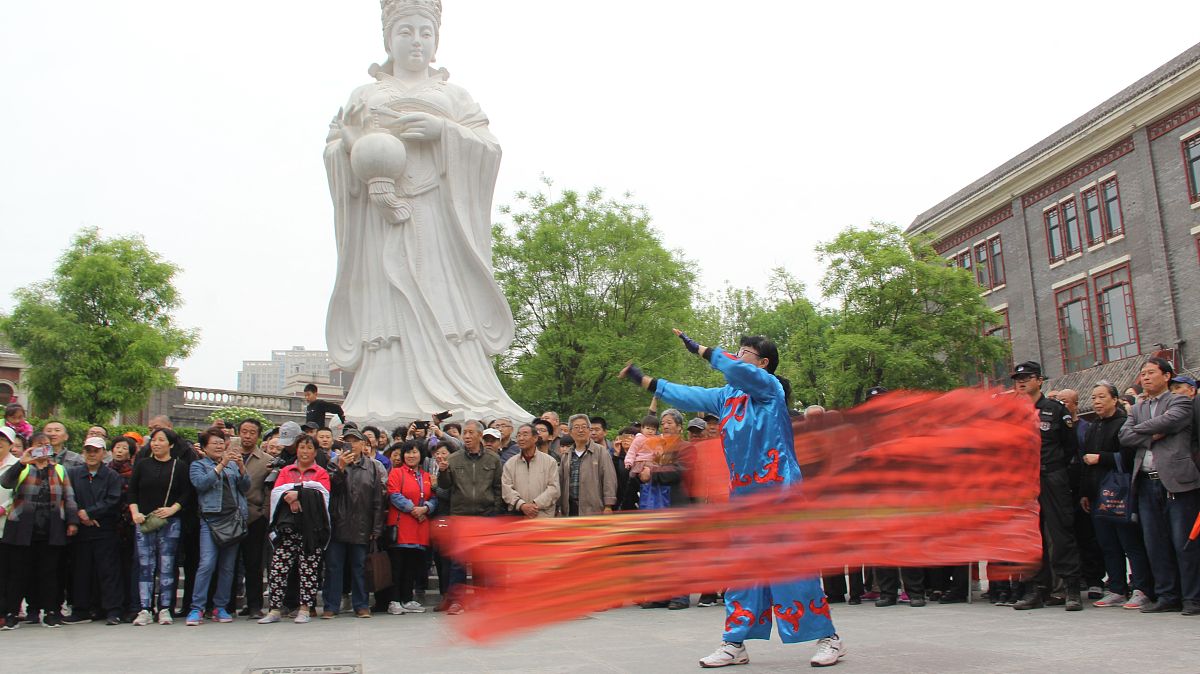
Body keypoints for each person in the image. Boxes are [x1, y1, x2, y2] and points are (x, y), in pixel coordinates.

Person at [323, 0, 529, 425]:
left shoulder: (454, 97)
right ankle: (385, 390)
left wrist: (444, 132)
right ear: (388, 39)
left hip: (437, 217)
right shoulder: (364, 96)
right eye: (406, 32)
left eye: (425, 32)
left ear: (436, 40)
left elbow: (489, 149)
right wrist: (353, 146)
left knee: (443, 297)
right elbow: (335, 149)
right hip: (382, 220)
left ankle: (462, 387)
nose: (416, 41)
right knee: (389, 301)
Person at [621, 330, 843, 668]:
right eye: (736, 351)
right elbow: (688, 395)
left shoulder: (770, 389)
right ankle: (735, 642)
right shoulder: (726, 397)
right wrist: (644, 380)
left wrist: (702, 350)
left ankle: (829, 638)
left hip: (780, 493)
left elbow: (736, 369)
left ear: (763, 363)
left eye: (744, 352)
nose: (737, 357)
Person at [1118, 357, 1200, 615]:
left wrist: (1140, 431)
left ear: (1166, 376)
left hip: (1177, 481)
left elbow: (1172, 421)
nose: (1145, 377)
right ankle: (1167, 595)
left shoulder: (1179, 400)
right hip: (1146, 482)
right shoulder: (1138, 407)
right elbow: (1124, 436)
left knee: (1183, 542)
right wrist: (1152, 434)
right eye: (1143, 373)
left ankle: (1192, 597)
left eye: (1151, 372)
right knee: (1155, 542)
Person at [1008, 361, 1084, 612]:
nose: (1021, 382)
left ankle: (1071, 589)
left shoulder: (1055, 409)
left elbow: (1070, 447)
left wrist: (1054, 468)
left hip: (1051, 476)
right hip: (1024, 482)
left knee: (1061, 533)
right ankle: (1036, 590)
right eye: (1017, 379)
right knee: (1030, 537)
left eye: (1027, 377)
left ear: (1040, 380)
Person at [1080, 382, 1154, 609]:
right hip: (1097, 493)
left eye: (1102, 397)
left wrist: (1101, 458)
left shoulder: (1123, 423)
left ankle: (1141, 588)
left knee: (1130, 542)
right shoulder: (1093, 426)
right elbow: (1085, 461)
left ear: (1114, 399)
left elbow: (1130, 457)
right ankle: (1116, 589)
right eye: (1094, 398)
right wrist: (1085, 493)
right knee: (1107, 544)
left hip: (1120, 492)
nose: (1097, 402)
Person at [1, 430, 80, 628]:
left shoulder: (59, 469)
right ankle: (12, 613)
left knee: (50, 573)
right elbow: (5, 482)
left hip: (51, 529)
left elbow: (69, 497)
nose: (43, 449)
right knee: (18, 574)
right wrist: (22, 462)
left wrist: (72, 522)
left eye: (46, 445)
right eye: (38, 445)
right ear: (31, 447)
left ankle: (51, 612)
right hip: (22, 530)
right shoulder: (24, 467)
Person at [260, 435, 331, 625]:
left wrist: (297, 494)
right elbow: (277, 492)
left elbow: (322, 494)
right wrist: (298, 494)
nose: (305, 451)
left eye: (309, 448)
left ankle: (305, 608)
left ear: (315, 452)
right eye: (302, 447)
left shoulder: (321, 472)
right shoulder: (286, 470)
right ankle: (275, 609)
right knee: (278, 568)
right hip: (287, 528)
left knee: (308, 569)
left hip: (311, 530)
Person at [437, 420, 503, 614]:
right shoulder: (454, 458)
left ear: (480, 436)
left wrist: (495, 512)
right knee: (458, 562)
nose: (466, 436)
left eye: (470, 432)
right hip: (460, 517)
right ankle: (457, 601)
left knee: (481, 562)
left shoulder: (493, 459)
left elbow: (498, 488)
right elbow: (445, 486)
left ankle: (480, 599)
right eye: (464, 432)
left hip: (485, 517)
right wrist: (442, 472)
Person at [128, 428, 192, 626]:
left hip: (170, 522)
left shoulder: (179, 466)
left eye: (161, 440)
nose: (156, 444)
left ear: (170, 444)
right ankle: (145, 608)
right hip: (144, 521)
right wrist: (135, 513)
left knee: (167, 564)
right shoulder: (142, 464)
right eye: (154, 440)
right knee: (145, 565)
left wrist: (173, 509)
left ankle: (165, 608)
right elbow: (132, 492)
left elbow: (187, 493)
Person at [186, 428, 250, 626]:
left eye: (221, 443)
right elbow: (201, 484)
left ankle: (220, 607)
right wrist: (222, 465)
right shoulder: (198, 465)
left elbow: (245, 487)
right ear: (204, 447)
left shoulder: (232, 465)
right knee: (207, 564)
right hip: (211, 520)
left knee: (227, 567)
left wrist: (241, 467)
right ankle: (197, 608)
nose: (219, 446)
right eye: (214, 443)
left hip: (233, 520)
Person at [322, 428, 387, 619]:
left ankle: (361, 605)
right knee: (334, 567)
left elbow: (378, 499)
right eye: (348, 441)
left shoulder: (372, 467)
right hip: (338, 522)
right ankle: (331, 605)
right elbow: (330, 489)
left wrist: (376, 527)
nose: (352, 445)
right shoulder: (334, 463)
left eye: (356, 441)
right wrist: (341, 468)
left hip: (362, 524)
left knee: (360, 567)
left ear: (364, 444)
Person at [635, 408, 695, 611]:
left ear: (679, 427)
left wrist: (652, 472)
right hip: (656, 508)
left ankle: (680, 596)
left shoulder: (686, 448)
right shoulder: (656, 447)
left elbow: (679, 471)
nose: (666, 426)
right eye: (663, 423)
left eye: (670, 422)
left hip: (676, 506)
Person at [62, 437, 123, 625]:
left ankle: (113, 610)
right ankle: (81, 609)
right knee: (80, 571)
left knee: (108, 571)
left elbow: (113, 500)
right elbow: (68, 498)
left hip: (104, 529)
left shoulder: (112, 476)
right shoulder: (73, 474)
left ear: (104, 453)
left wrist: (90, 513)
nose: (91, 454)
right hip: (81, 530)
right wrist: (81, 516)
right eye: (88, 450)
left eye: (96, 451)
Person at [386, 440, 438, 614]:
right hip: (401, 525)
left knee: (412, 565)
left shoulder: (426, 476)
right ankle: (394, 600)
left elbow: (434, 497)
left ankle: (407, 598)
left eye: (415, 452)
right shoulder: (396, 473)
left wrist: (426, 508)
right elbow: (394, 494)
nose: (411, 455)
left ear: (421, 455)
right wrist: (413, 509)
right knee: (397, 565)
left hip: (419, 528)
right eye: (408, 452)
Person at [231, 419, 272, 619]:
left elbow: (268, 490)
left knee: (254, 563)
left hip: (254, 516)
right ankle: (227, 604)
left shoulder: (266, 461)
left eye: (252, 432)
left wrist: (264, 513)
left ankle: (254, 605)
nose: (247, 436)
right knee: (229, 563)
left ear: (258, 436)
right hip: (229, 517)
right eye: (244, 431)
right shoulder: (228, 456)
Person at [557, 414, 618, 517]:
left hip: (594, 508)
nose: (581, 430)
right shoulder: (566, 455)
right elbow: (561, 481)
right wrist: (558, 506)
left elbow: (609, 479)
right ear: (570, 432)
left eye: (584, 427)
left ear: (589, 430)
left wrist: (608, 505)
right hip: (570, 508)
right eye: (576, 427)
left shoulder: (601, 452)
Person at [501, 423, 560, 518]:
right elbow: (506, 489)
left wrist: (535, 505)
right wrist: (522, 505)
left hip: (543, 515)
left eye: (525, 435)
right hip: (519, 515)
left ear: (535, 438)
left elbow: (554, 489)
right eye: (518, 435)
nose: (521, 438)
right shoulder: (510, 463)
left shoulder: (550, 461)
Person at [0, 426, 18, 629]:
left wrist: (4, 508)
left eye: (2, 441)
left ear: (11, 445)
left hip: (8, 526)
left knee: (6, 571)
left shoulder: (17, 465)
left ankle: (6, 611)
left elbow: (20, 493)